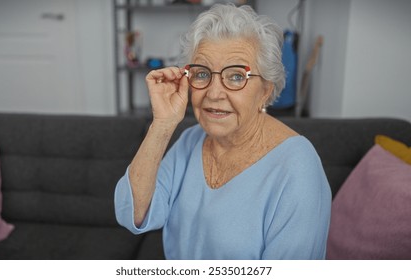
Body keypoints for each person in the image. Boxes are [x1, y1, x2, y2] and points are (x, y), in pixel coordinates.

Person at [114, 3, 331, 260]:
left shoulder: (298, 167)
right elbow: (133, 213)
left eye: (237, 76)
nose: (214, 94)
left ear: (265, 91)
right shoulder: (190, 140)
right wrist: (162, 124)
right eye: (202, 73)